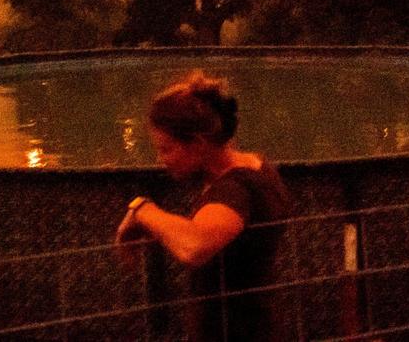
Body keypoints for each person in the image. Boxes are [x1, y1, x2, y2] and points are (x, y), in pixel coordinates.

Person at [116, 71, 292, 341]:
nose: (161, 159)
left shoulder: (234, 189)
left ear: (197, 143)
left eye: (166, 149)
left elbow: (195, 245)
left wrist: (143, 210)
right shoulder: (257, 167)